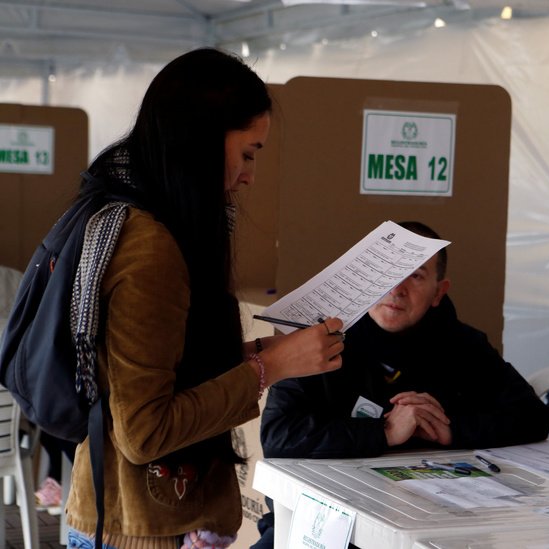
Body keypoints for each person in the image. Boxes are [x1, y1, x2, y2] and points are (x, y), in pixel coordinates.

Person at [61, 48, 344, 549]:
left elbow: (168, 368)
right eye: (248, 154)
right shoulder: (149, 248)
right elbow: (145, 431)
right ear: (201, 141)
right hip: (138, 528)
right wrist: (271, 368)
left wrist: (265, 354)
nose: (249, 176)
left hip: (138, 516)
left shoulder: (143, 222)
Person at [252, 221, 549, 548]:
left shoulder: (464, 345)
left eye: (416, 276)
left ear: (439, 292)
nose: (397, 289)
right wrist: (384, 431)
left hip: (431, 519)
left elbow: (533, 416)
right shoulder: (318, 341)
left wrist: (451, 430)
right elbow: (278, 435)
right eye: (387, 273)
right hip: (320, 516)